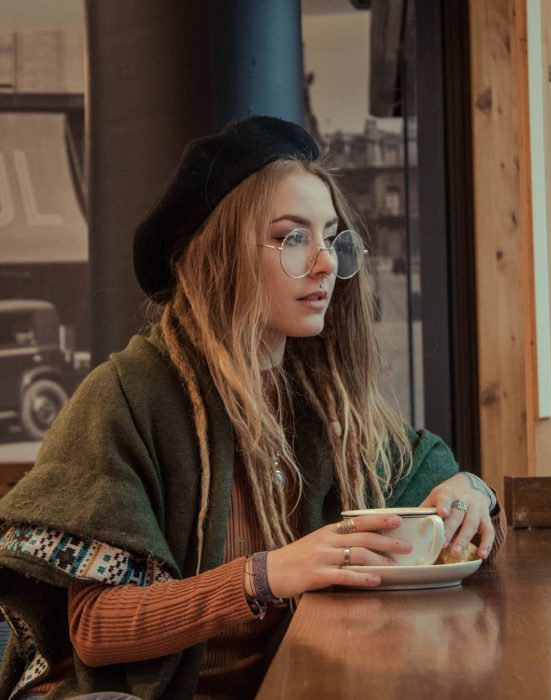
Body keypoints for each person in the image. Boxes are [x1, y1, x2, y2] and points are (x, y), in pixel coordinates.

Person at [0, 116, 506, 700]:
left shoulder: (321, 397)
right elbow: (93, 629)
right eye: (293, 237)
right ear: (218, 253)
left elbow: (424, 468)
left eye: (330, 238)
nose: (324, 266)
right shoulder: (125, 396)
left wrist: (472, 491)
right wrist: (266, 575)